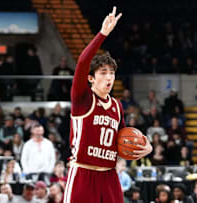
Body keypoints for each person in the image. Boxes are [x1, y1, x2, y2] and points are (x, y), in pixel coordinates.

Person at [64, 7, 152, 203]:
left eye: (112, 73)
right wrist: (103, 34)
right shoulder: (82, 98)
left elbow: (123, 139)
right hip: (83, 174)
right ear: (91, 78)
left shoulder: (117, 106)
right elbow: (82, 62)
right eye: (103, 72)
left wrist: (146, 147)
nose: (109, 77)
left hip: (109, 176)